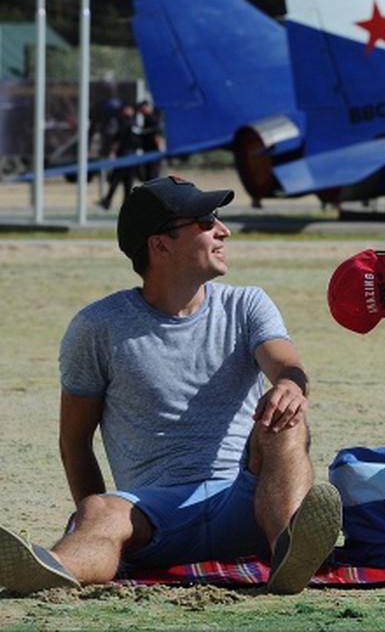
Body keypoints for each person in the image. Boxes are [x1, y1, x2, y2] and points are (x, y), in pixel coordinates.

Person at [0, 176, 341, 596]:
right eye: (204, 220)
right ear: (160, 246)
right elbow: (75, 442)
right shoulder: (97, 327)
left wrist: (291, 385)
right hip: (155, 514)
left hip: (252, 502)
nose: (223, 229)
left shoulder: (247, 304)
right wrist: (105, 528)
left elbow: (288, 365)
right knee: (98, 511)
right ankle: (49, 567)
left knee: (287, 415)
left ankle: (287, 552)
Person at [99, 103, 139, 211]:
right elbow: (117, 139)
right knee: (116, 180)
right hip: (123, 155)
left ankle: (126, 204)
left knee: (128, 182)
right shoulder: (120, 122)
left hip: (132, 155)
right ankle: (107, 201)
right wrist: (113, 152)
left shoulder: (134, 123)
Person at [134, 100, 164, 182]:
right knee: (148, 175)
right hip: (147, 149)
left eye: (142, 109)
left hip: (153, 150)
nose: (141, 112)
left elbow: (156, 134)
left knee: (153, 175)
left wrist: (160, 147)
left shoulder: (153, 117)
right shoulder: (147, 117)